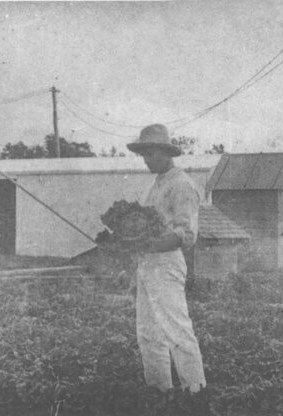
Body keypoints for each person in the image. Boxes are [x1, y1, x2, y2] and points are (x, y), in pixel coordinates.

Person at [124, 123, 206, 393]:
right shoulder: (159, 183)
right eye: (144, 155)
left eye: (150, 154)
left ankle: (195, 395)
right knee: (148, 334)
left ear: (165, 152)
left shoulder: (182, 185)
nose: (146, 160)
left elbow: (186, 235)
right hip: (148, 265)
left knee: (177, 331)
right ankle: (159, 394)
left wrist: (147, 243)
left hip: (167, 264)